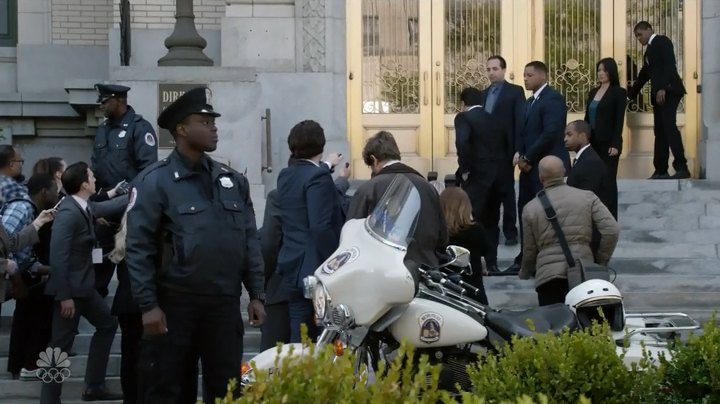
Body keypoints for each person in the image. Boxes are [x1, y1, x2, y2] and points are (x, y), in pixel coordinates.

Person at [125, 87, 266, 403]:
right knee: (169, 389)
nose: (213, 127)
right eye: (204, 121)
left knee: (226, 389)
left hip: (224, 304)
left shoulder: (232, 181)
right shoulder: (155, 181)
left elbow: (249, 240)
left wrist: (256, 293)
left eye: (213, 121)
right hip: (175, 303)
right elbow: (139, 247)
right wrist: (148, 305)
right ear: (181, 129)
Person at [41, 162, 125, 403]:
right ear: (84, 184)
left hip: (83, 289)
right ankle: (49, 399)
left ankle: (94, 386)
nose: (95, 178)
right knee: (58, 347)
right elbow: (58, 256)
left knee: (107, 324)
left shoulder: (82, 206)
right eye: (91, 176)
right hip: (70, 292)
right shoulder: (68, 213)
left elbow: (102, 207)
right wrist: (64, 296)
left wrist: (134, 195)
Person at [259, 157, 350, 350]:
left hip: (283, 287)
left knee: (282, 358)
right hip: (322, 288)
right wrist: (342, 179)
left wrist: (261, 285)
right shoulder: (326, 194)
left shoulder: (279, 196)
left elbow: (268, 243)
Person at [275, 120, 345, 343]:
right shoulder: (318, 177)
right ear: (321, 145)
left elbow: (308, 177)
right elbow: (320, 226)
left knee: (300, 333)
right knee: (324, 335)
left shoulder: (286, 175)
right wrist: (336, 260)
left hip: (291, 264)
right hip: (316, 269)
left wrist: (327, 165)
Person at [519, 156, 619, 306]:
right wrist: (600, 260)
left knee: (555, 325)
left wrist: (525, 272)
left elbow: (529, 249)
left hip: (548, 277)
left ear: (541, 177)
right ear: (564, 173)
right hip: (582, 272)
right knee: (585, 325)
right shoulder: (587, 197)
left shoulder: (530, 209)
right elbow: (612, 230)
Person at [92, 83, 157, 298]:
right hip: (104, 216)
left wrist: (124, 204)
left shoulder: (140, 128)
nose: (101, 105)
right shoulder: (102, 130)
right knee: (97, 269)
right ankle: (101, 322)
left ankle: (129, 322)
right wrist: (99, 205)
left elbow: (146, 173)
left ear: (120, 101)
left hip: (129, 214)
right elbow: (95, 171)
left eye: (105, 101)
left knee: (128, 275)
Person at [347, 130, 448, 268]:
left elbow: (352, 237)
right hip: (424, 270)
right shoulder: (428, 188)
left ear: (374, 160)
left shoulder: (368, 189)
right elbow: (442, 236)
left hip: (381, 270)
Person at [507, 61, 570, 274]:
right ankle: (526, 256)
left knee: (546, 213)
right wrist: (519, 154)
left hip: (545, 168)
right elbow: (523, 132)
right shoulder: (528, 102)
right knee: (526, 212)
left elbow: (550, 132)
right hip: (528, 169)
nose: (525, 78)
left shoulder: (553, 99)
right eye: (524, 75)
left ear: (542, 77)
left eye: (529, 75)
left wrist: (529, 157)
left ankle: (545, 259)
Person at [5, 174, 58, 380]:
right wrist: (16, 277)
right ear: (44, 191)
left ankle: (20, 366)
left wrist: (44, 269)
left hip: (25, 274)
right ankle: (27, 365)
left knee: (26, 317)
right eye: (54, 189)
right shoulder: (23, 208)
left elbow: (24, 253)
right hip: (13, 276)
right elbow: (5, 243)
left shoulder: (36, 213)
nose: (57, 193)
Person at [455, 87, 511, 274]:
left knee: (471, 219)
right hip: (498, 177)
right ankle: (492, 263)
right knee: (492, 220)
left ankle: (472, 264)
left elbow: (462, 143)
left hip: (476, 177)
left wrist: (464, 170)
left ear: (463, 103)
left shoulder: (463, 118)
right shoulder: (494, 118)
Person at [628, 21, 689, 180]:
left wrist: (662, 87)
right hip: (659, 96)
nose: (639, 38)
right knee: (660, 131)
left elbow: (670, 64)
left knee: (669, 127)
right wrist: (630, 95)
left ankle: (682, 167)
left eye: (640, 34)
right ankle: (660, 169)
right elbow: (644, 75)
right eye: (636, 36)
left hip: (669, 91)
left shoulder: (662, 41)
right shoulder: (648, 52)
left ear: (649, 30)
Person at [482, 55, 525, 246]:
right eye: (489, 69)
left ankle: (510, 232)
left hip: (506, 151)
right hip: (485, 153)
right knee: (489, 193)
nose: (491, 73)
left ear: (503, 70)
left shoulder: (515, 92)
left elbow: (519, 121)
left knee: (507, 193)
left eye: (495, 69)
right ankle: (491, 230)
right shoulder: (483, 94)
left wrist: (518, 148)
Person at [107, 213, 143, 404]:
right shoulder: (141, 242)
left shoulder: (124, 239)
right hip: (139, 304)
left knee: (129, 357)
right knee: (138, 358)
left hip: (125, 304)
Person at [584, 58, 626, 219]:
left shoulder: (618, 92)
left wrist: (615, 143)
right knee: (594, 179)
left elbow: (619, 120)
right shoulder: (593, 92)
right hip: (592, 142)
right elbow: (587, 117)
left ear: (611, 72)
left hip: (609, 143)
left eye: (604, 70)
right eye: (599, 70)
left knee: (608, 180)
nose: (601, 73)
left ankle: (610, 218)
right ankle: (595, 216)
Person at [439, 187, 489, 305]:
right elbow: (485, 253)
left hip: (445, 292)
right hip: (473, 291)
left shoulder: (438, 234)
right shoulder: (477, 231)